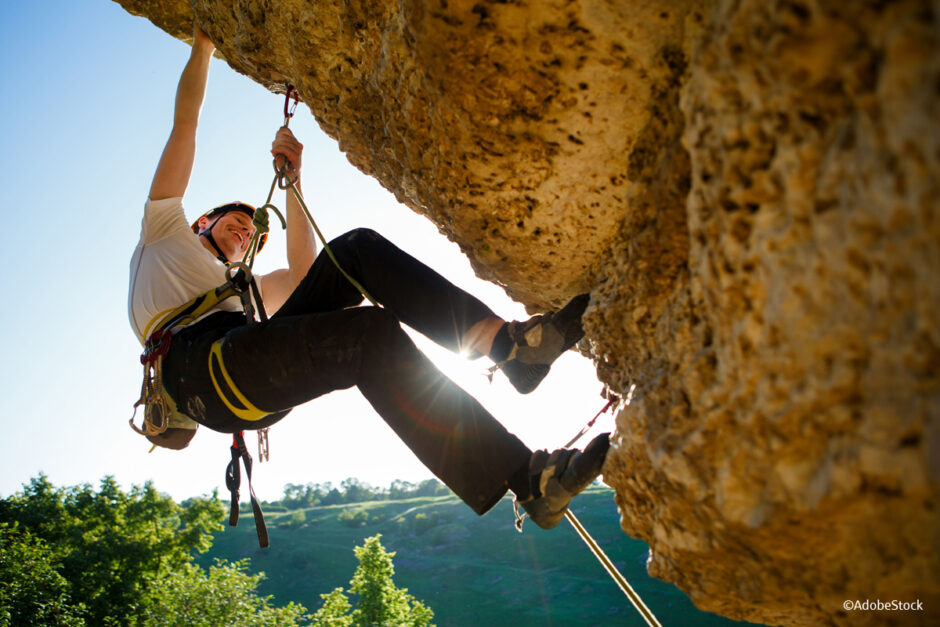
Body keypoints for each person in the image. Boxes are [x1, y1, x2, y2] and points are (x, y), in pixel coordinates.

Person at [127, 23, 609, 530]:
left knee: (352, 253)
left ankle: (507, 348)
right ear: (201, 222)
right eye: (234, 222)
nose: (244, 231)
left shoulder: (239, 290)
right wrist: (204, 45)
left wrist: (293, 182)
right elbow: (185, 124)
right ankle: (525, 477)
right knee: (368, 335)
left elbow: (302, 274)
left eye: (250, 233)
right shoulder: (164, 232)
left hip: (242, 358)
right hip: (201, 371)